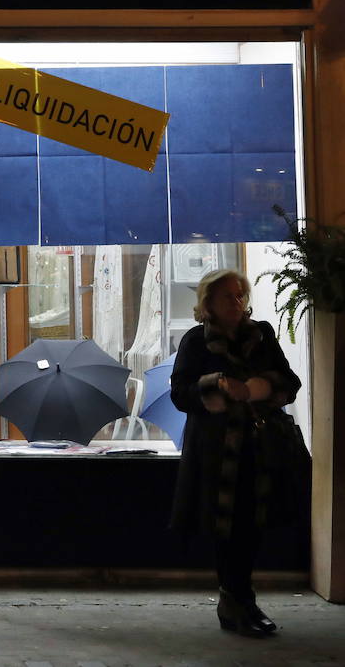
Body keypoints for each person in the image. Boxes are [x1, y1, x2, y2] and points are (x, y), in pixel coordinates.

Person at [169, 268, 303, 637]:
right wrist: (215, 387)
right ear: (208, 302)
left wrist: (259, 388)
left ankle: (242, 600)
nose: (237, 301)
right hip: (216, 453)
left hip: (260, 448)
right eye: (228, 295)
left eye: (240, 294)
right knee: (225, 527)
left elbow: (290, 382)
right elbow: (180, 393)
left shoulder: (262, 334)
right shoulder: (196, 341)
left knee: (253, 524)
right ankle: (235, 601)